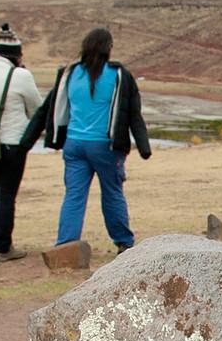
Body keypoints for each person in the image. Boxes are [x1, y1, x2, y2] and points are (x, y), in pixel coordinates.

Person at [37, 27, 152, 252]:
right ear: (108, 48)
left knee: (74, 196)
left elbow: (50, 109)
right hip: (105, 146)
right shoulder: (117, 75)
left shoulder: (71, 73)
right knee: (112, 193)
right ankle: (124, 242)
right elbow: (133, 114)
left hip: (74, 144)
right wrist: (144, 147)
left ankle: (65, 246)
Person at [0, 23, 44, 260]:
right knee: (7, 194)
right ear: (17, 55)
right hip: (13, 142)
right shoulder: (20, 75)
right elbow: (37, 108)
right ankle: (3, 246)